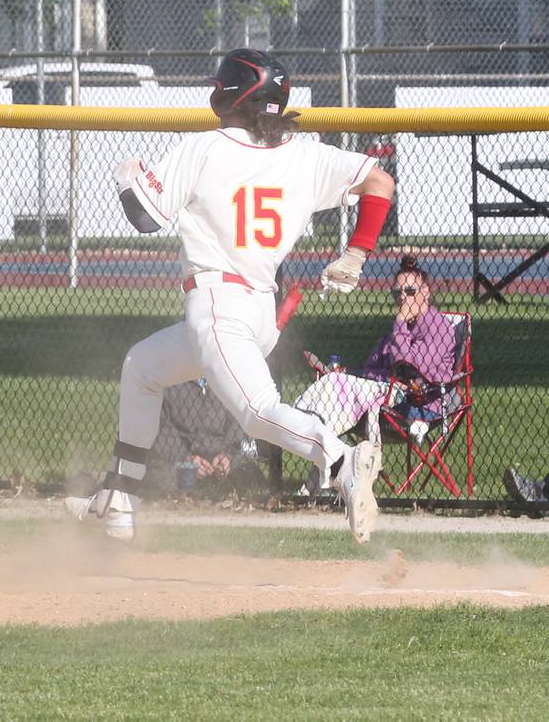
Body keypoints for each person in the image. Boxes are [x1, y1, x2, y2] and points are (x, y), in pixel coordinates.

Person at [68, 48, 396, 544]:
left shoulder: (206, 148)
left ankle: (340, 457)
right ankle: (120, 496)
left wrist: (126, 179)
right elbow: (380, 181)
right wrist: (356, 254)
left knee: (256, 410)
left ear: (234, 95)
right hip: (257, 310)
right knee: (142, 367)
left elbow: (143, 218)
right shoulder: (305, 154)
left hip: (219, 306)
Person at [294, 255, 458, 447]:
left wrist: (399, 324)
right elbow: (370, 368)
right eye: (397, 293)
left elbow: (410, 367)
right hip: (386, 394)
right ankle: (311, 429)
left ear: (426, 292)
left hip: (423, 405)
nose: (402, 297)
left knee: (335, 394)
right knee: (333, 384)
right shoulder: (402, 329)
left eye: (410, 291)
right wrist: (374, 377)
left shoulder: (439, 327)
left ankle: (309, 430)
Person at [146, 378, 263, 496]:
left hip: (218, 459)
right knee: (159, 476)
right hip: (182, 460)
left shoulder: (227, 383)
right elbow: (163, 430)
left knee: (250, 474)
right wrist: (185, 458)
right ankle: (189, 495)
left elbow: (235, 428)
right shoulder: (169, 381)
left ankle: (219, 491)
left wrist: (227, 457)